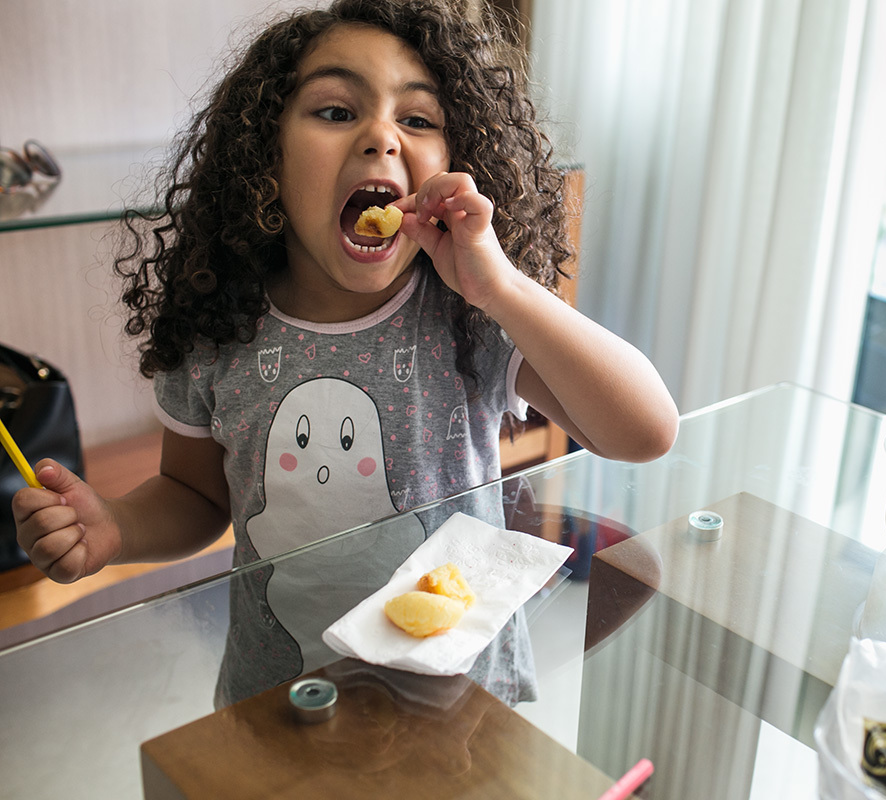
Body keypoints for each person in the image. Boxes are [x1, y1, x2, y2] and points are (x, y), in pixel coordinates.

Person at [11, 0, 678, 706]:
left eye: (418, 119)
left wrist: (505, 287)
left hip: (461, 699)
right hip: (283, 698)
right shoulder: (217, 331)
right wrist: (115, 526)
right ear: (264, 156)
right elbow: (195, 495)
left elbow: (645, 430)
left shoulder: (469, 316)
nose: (381, 138)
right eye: (335, 111)